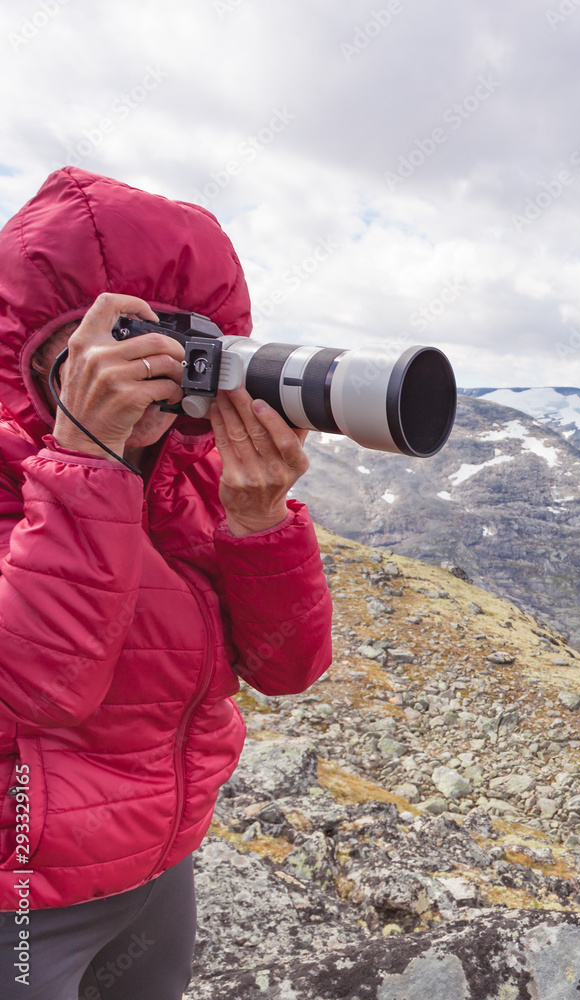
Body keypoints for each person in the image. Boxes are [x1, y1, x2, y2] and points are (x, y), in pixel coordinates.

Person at [0, 167, 333, 999]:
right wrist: (82, 460)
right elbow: (36, 688)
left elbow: (288, 670)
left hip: (159, 863)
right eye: (114, 343)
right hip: (21, 894)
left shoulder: (184, 475)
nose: (148, 375)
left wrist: (261, 522)